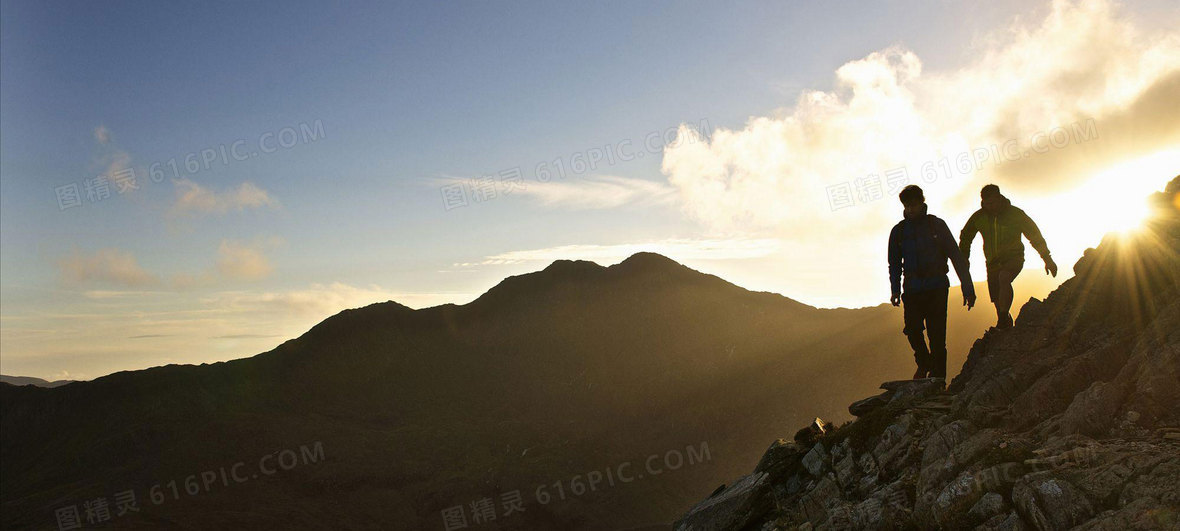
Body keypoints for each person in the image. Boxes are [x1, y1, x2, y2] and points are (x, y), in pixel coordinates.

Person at [888, 185, 976, 379]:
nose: (910, 209)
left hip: (937, 287)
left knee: (937, 337)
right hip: (912, 289)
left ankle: (938, 381)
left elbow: (956, 256)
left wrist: (967, 288)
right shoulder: (899, 232)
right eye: (907, 205)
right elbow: (894, 263)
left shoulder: (937, 225)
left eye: (913, 205)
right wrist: (895, 289)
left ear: (922, 203)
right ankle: (924, 362)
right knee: (912, 329)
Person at [959, 184, 1057, 329]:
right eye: (987, 204)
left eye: (992, 203)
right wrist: (964, 258)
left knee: (1004, 278)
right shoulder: (979, 217)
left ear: (999, 198)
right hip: (992, 262)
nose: (990, 206)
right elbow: (966, 236)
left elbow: (1034, 235)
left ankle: (1004, 317)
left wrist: (1047, 258)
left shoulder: (1015, 214)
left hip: (1014, 258)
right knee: (997, 300)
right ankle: (1004, 320)